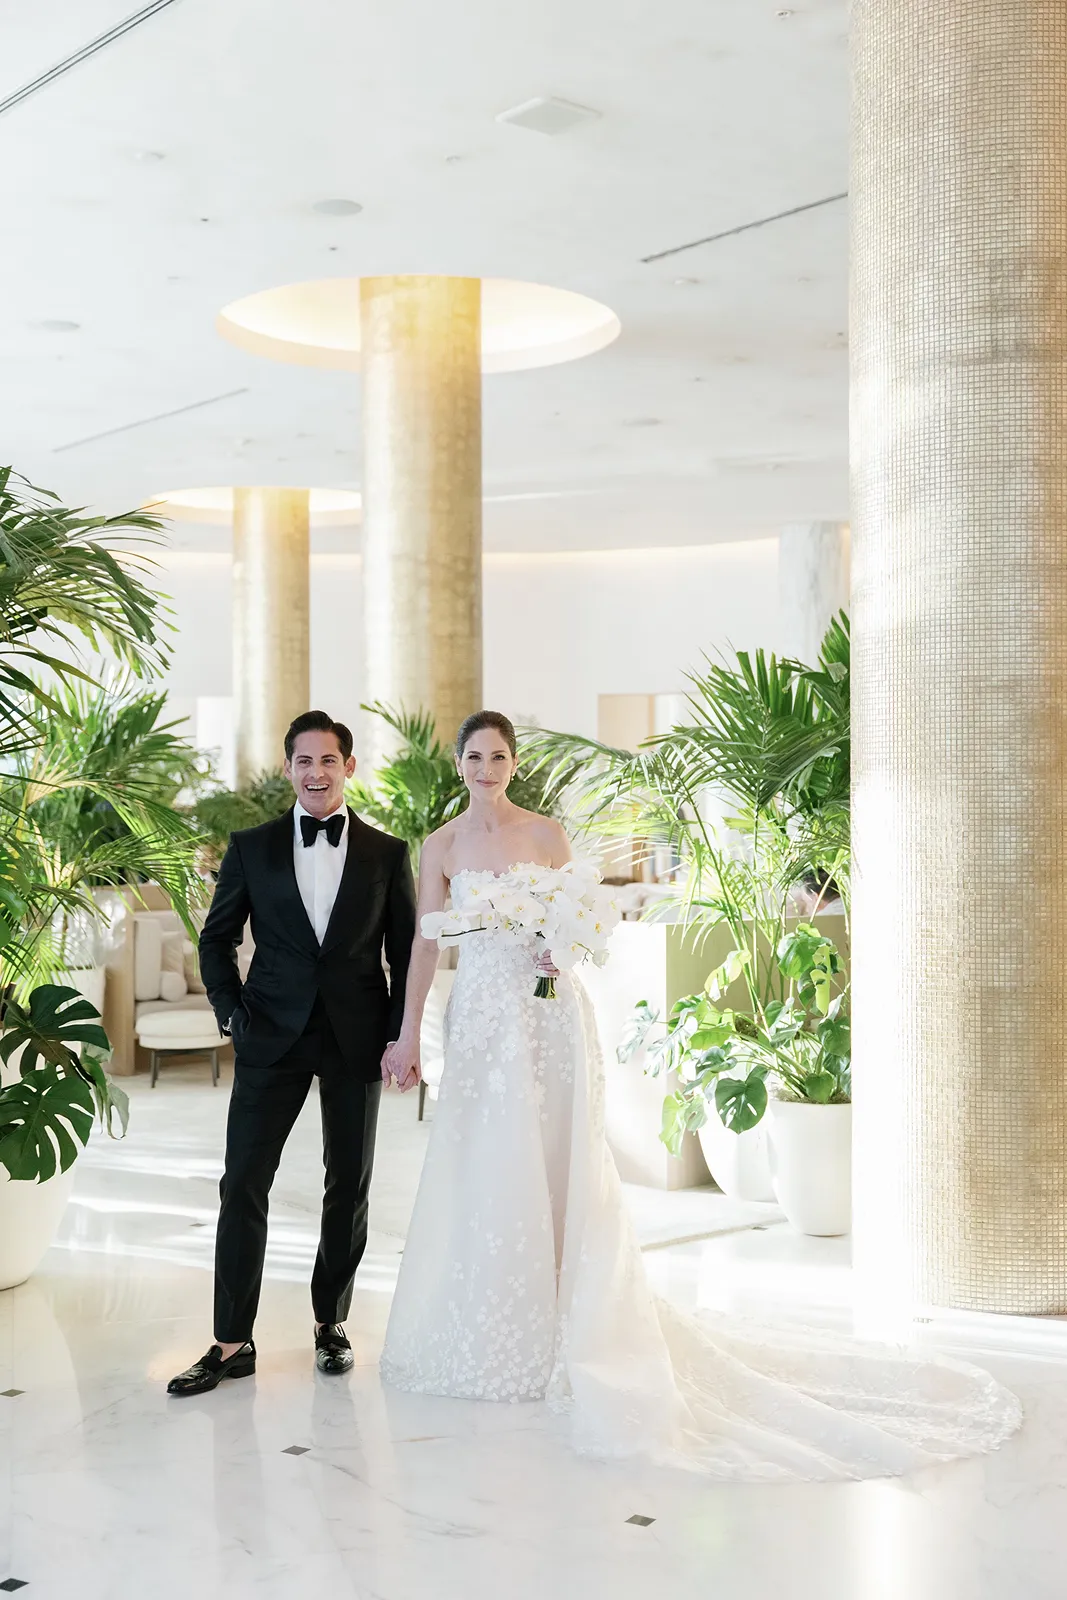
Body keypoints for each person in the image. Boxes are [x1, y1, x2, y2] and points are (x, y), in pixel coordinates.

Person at [379, 710, 1022, 1480]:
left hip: (547, 1016)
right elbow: (423, 940)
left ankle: (560, 1323)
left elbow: (581, 923)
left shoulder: (547, 836)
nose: (487, 767)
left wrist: (563, 943)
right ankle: (483, 1325)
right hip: (481, 1017)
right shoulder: (442, 846)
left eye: (499, 755)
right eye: (475, 756)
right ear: (459, 765)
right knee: (480, 1163)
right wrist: (408, 1031)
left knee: (552, 1158)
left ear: (514, 764)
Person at [167, 710, 416, 1397]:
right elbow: (215, 939)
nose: (316, 772)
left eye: (328, 760)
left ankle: (330, 1323)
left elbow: (403, 954)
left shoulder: (387, 854)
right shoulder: (251, 846)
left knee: (349, 1185)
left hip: (354, 1036)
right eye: (303, 761)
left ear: (349, 768)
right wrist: (231, 1015)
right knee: (243, 1182)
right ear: (288, 769)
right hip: (268, 1034)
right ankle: (230, 1340)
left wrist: (398, 1037)